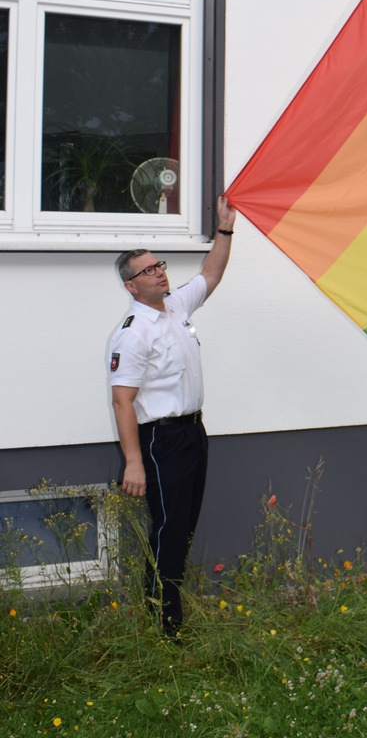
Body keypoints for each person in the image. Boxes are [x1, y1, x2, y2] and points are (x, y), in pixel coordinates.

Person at [108, 194, 237, 635]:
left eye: (160, 264)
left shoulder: (177, 306)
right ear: (131, 285)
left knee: (181, 528)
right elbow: (122, 400)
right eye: (149, 270)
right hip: (161, 441)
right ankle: (165, 626)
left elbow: (211, 273)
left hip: (193, 432)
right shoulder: (132, 334)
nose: (160, 271)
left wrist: (225, 229)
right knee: (168, 529)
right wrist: (133, 462)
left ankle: (163, 610)